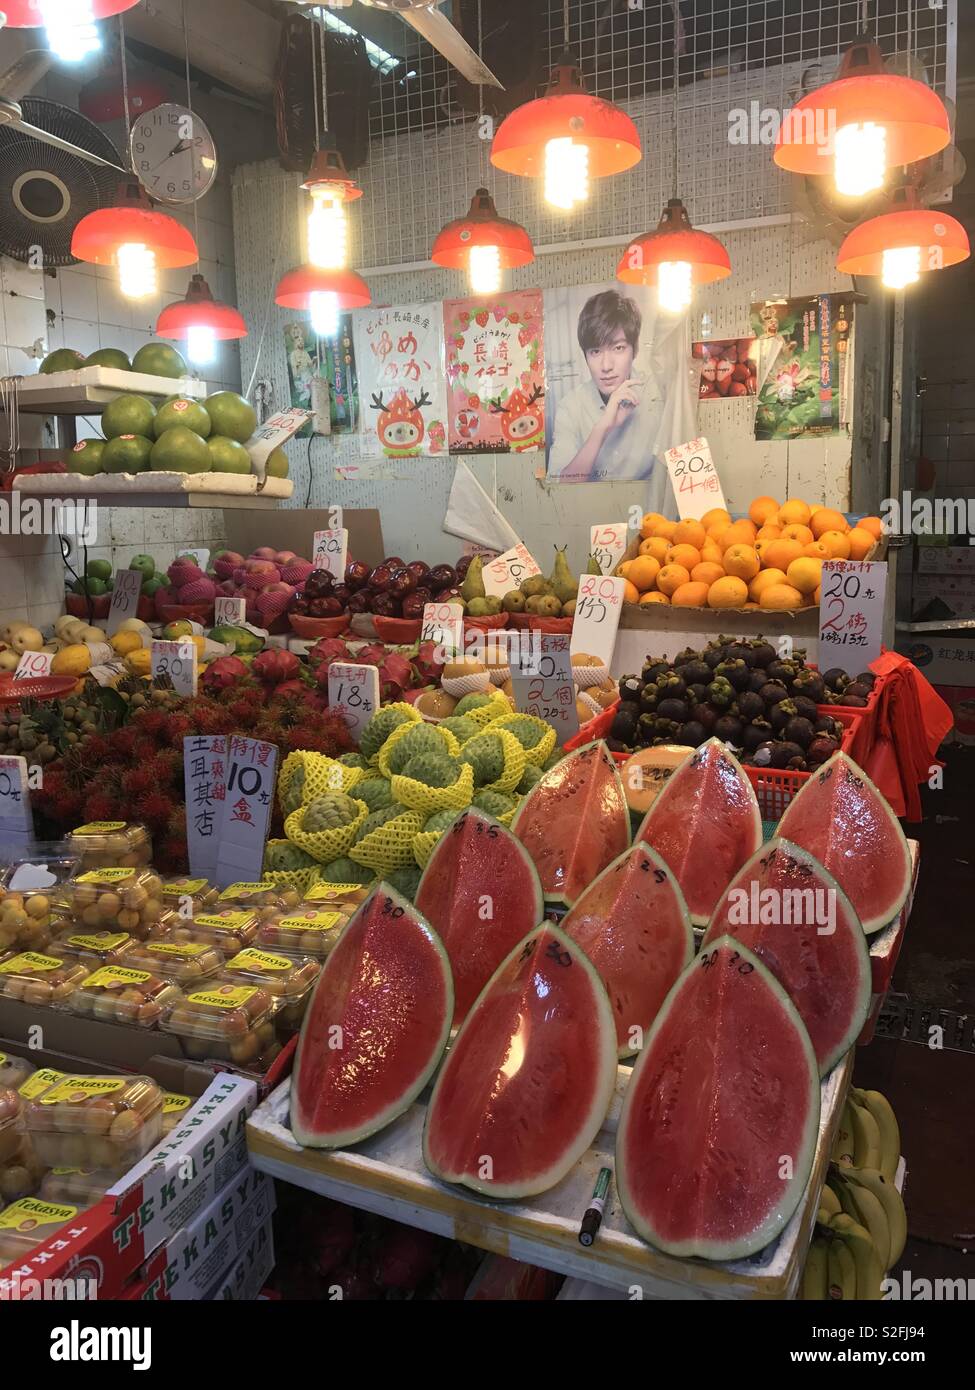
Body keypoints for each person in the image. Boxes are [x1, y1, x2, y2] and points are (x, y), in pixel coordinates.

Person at [548, 289, 667, 486]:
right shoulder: (571, 407)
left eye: (618, 348)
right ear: (585, 355)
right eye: (595, 351)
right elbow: (561, 487)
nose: (606, 366)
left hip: (649, 514)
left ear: (635, 349)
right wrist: (603, 427)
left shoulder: (658, 396)